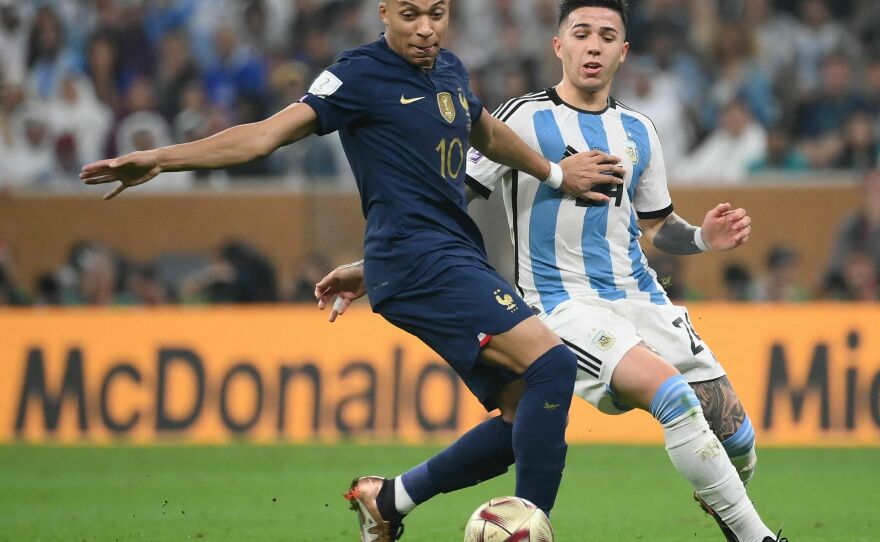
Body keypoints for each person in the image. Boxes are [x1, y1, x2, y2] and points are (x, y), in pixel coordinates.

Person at [80, 1, 624, 540]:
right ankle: (530, 530)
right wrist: (162, 157)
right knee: (552, 367)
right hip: (420, 259)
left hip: (441, 253)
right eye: (410, 14)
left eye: (436, 13)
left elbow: (483, 131)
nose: (426, 29)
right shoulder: (358, 73)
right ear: (383, 12)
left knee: (525, 412)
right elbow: (264, 135)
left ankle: (388, 500)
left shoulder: (450, 71)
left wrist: (554, 172)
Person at [317, 2, 787, 541]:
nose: (594, 45)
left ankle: (392, 497)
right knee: (672, 398)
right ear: (558, 46)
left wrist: (702, 238)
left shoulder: (639, 130)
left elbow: (656, 225)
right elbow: (448, 198)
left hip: (644, 301)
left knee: (738, 443)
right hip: (561, 306)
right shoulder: (520, 118)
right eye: (581, 34)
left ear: (622, 51)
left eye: (607, 36)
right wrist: (373, 264)